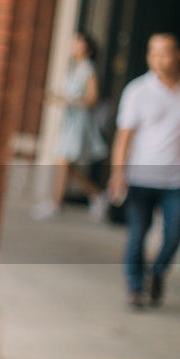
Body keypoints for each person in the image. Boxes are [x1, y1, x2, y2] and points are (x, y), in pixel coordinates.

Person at [109, 33, 180, 309]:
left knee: (174, 236)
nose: (157, 59)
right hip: (140, 177)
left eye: (164, 52)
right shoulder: (137, 91)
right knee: (137, 234)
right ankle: (134, 287)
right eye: (152, 52)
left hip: (177, 180)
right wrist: (117, 173)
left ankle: (156, 274)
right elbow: (124, 137)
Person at [32, 32, 110, 220]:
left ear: (87, 48)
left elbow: (92, 99)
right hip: (69, 122)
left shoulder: (88, 69)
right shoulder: (74, 68)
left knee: (63, 163)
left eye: (78, 43)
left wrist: (68, 100)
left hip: (78, 122)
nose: (74, 46)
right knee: (67, 166)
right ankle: (98, 194)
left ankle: (55, 203)